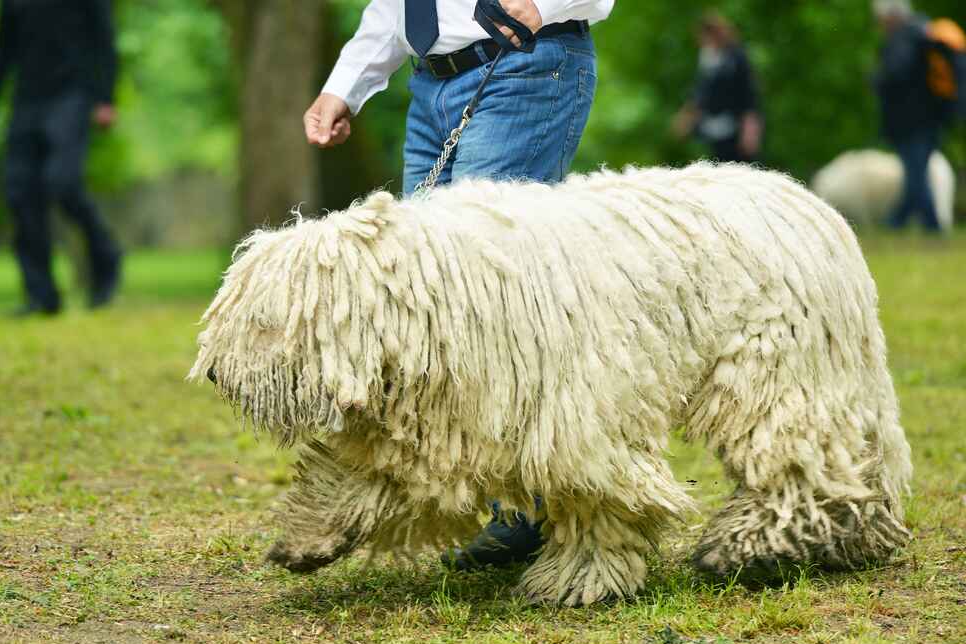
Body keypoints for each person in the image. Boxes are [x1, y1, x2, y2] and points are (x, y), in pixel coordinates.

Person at [304, 0, 614, 568]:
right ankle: (445, 484)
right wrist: (343, 86)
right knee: (426, 297)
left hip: (526, 67)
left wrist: (545, 5)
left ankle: (530, 506)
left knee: (489, 297)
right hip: (431, 90)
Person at [0, 0, 122, 316]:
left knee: (63, 183)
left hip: (73, 95)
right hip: (27, 100)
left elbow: (104, 39)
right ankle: (42, 296)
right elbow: (4, 46)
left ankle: (106, 258)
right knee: (19, 192)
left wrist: (106, 97)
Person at [873, 0, 945, 232]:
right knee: (917, 173)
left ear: (892, 16)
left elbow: (896, 73)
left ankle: (927, 225)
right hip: (929, 117)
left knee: (916, 174)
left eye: (882, 18)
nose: (880, 24)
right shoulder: (922, 33)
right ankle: (900, 221)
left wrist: (877, 80)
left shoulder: (904, 38)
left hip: (911, 121)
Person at [672, 12, 763, 163]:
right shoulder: (707, 58)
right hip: (713, 127)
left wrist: (750, 127)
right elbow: (701, 92)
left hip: (736, 126)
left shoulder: (736, 57)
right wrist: (687, 115)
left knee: (741, 166)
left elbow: (748, 93)